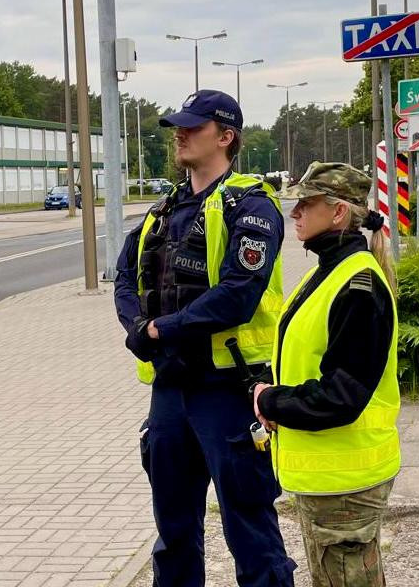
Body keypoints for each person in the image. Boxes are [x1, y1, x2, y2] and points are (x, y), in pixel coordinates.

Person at [114, 89, 297, 587]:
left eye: (192, 127)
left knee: (249, 525)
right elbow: (127, 279)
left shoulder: (253, 206)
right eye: (178, 125)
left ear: (226, 136)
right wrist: (136, 326)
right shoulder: (163, 210)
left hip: (229, 391)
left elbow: (238, 294)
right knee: (173, 529)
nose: (180, 133)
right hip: (170, 389)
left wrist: (160, 330)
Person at [253, 161, 400, 587]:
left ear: (338, 213)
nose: (295, 213)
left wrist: (270, 401)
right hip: (329, 477)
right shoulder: (331, 272)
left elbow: (342, 395)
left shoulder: (357, 285)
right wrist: (267, 380)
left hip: (347, 481)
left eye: (306, 204)